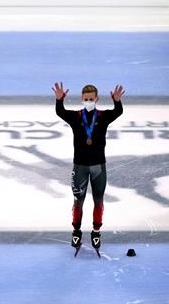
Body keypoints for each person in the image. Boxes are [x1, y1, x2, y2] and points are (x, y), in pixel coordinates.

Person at [53, 82, 124, 254]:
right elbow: (60, 112)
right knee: (78, 200)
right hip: (80, 166)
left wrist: (117, 101)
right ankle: (76, 231)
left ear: (96, 99)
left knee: (98, 200)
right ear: (82, 99)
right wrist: (59, 100)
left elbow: (118, 112)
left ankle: (96, 232)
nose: (88, 101)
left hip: (99, 166)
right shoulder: (76, 117)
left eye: (91, 99)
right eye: (86, 99)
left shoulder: (103, 116)